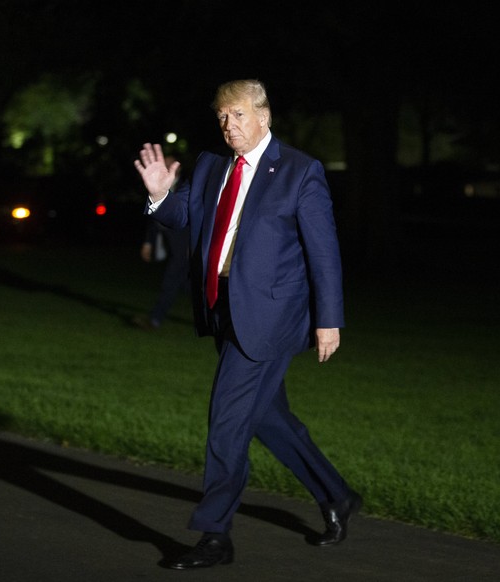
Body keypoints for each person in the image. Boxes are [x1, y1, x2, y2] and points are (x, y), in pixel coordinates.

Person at [133, 79, 361, 570]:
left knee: (228, 421)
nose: (228, 126)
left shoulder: (301, 172)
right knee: (268, 419)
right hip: (224, 312)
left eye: (237, 115)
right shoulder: (212, 166)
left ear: (263, 116)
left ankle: (215, 536)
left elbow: (324, 253)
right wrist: (158, 197)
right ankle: (337, 495)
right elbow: (182, 215)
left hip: (274, 320)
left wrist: (330, 320)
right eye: (221, 117)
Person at [132, 156, 191, 331]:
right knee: (188, 286)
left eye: (167, 164)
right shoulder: (157, 184)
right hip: (169, 243)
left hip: (184, 246)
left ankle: (155, 319)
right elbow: (153, 216)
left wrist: (194, 246)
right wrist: (148, 243)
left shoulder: (186, 186)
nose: (162, 167)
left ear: (176, 168)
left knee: (171, 281)